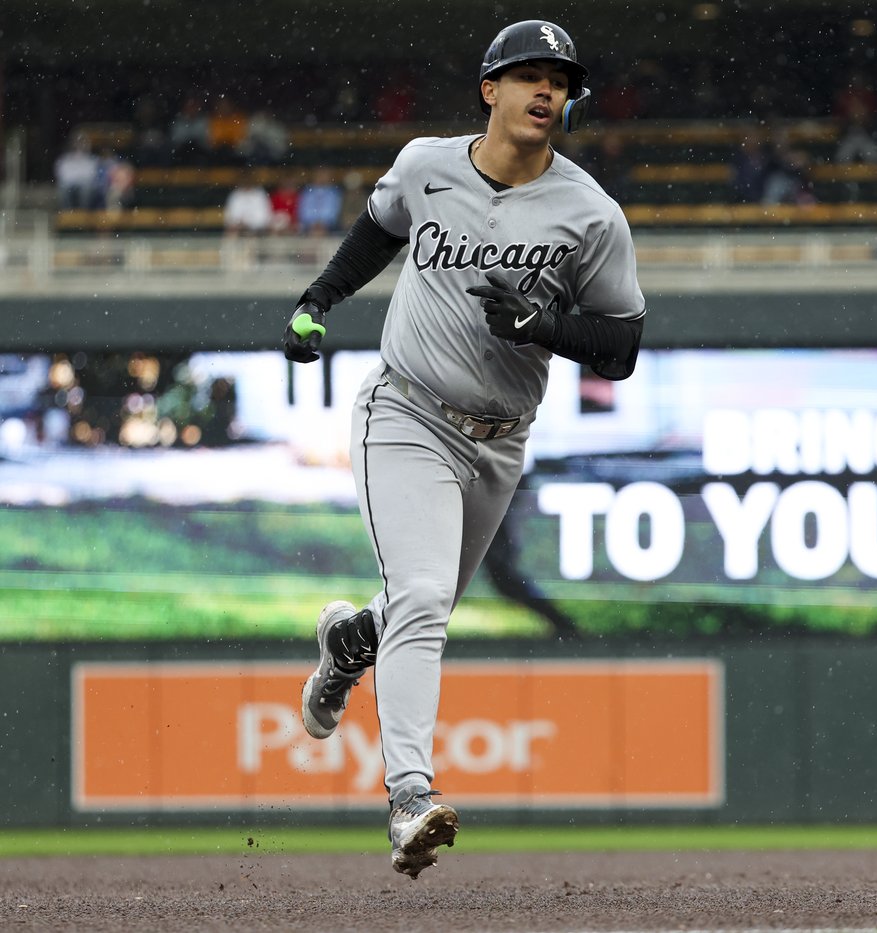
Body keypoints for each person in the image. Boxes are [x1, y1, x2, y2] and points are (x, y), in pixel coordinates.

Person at [283, 19, 645, 879]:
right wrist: (318, 299)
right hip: (407, 412)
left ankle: (350, 644)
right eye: (529, 74)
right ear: (491, 89)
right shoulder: (426, 165)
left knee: (415, 604)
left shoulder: (589, 212)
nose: (547, 90)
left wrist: (545, 323)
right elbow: (378, 229)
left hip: (500, 443)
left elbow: (623, 345)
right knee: (424, 600)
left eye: (560, 78)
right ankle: (410, 796)